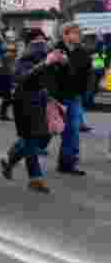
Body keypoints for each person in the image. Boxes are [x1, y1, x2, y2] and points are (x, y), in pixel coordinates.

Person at [0, 28, 64, 194]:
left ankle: (10, 159)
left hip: (41, 100)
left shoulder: (45, 56)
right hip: (25, 102)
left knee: (37, 139)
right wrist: (46, 63)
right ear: (31, 42)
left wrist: (61, 63)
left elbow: (51, 79)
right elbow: (23, 78)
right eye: (38, 40)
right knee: (30, 140)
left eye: (44, 40)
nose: (42, 43)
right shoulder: (25, 57)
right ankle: (35, 179)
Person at [51, 22, 90, 176]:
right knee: (43, 133)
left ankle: (67, 164)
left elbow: (85, 73)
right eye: (75, 32)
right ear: (65, 34)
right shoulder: (55, 50)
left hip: (74, 96)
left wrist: (84, 92)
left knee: (72, 131)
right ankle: (19, 153)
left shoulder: (82, 52)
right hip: (56, 97)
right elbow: (50, 74)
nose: (79, 35)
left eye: (79, 32)